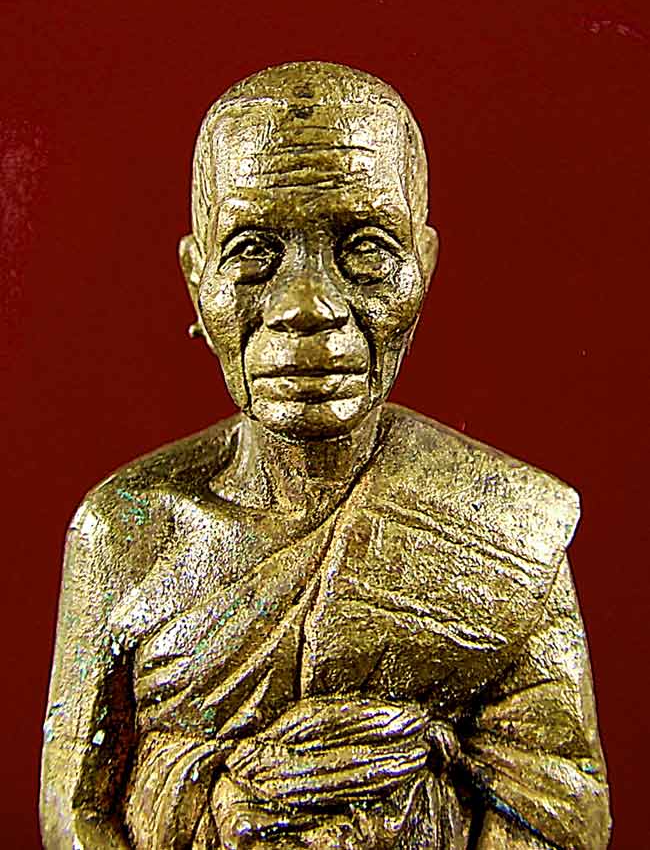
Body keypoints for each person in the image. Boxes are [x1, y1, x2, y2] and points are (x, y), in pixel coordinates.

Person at [40, 61, 611, 849]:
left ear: (423, 267)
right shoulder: (124, 531)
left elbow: (558, 805)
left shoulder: (507, 528)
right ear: (196, 278)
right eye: (252, 251)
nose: (307, 305)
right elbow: (74, 807)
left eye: (365, 249)